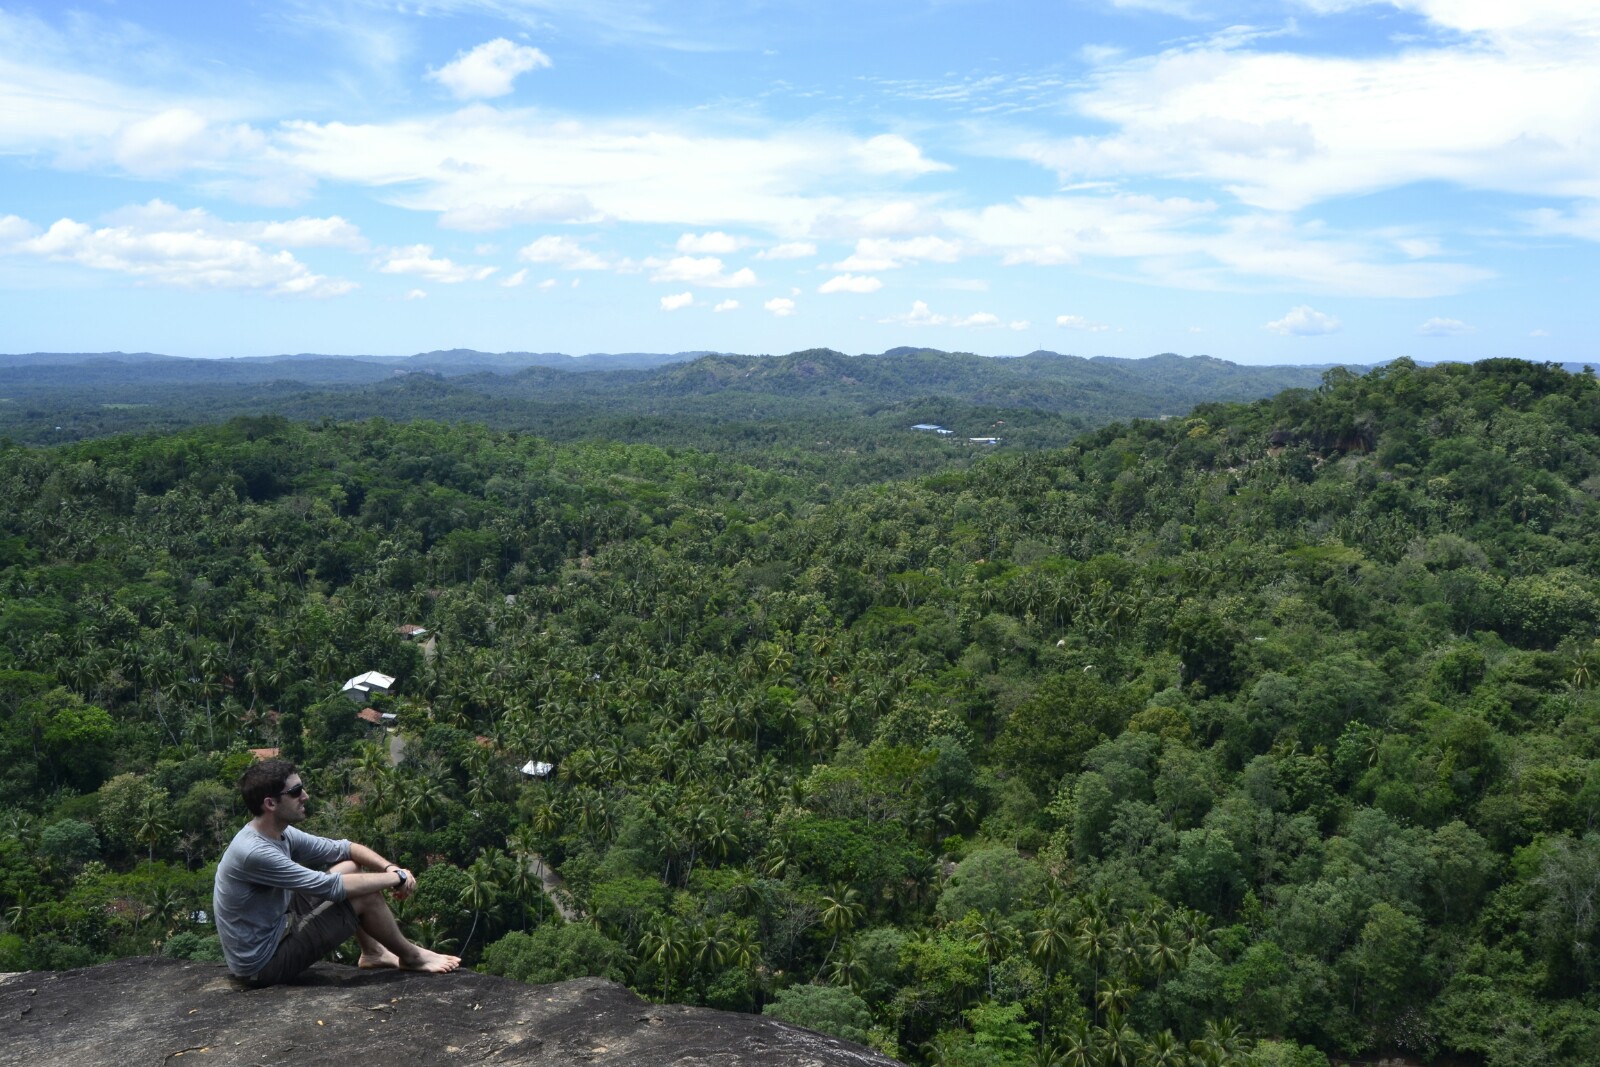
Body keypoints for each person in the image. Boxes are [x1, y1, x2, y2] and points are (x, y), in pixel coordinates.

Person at [213, 758, 461, 985]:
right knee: (363, 893)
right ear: (270, 803)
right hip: (262, 965)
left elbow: (345, 848)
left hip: (279, 921)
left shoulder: (279, 833)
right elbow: (330, 888)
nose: (305, 796)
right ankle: (412, 957)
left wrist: (390, 868)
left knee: (351, 868)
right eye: (296, 791)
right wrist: (397, 878)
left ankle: (373, 952)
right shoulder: (254, 851)